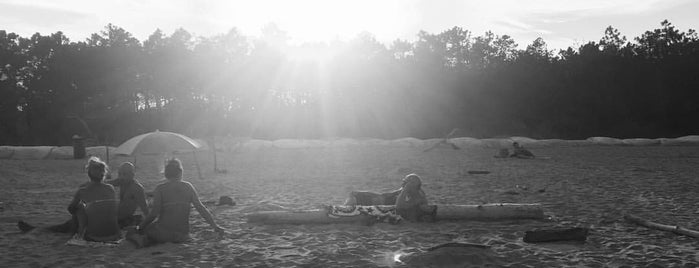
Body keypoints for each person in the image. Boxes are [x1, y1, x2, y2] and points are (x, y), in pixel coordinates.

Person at [130, 158, 223, 247]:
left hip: (163, 233)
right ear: (180, 172)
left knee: (138, 231)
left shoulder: (160, 189)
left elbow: (154, 214)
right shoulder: (188, 187)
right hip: (182, 235)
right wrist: (215, 226)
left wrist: (140, 227)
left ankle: (143, 241)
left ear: (166, 173)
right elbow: (201, 208)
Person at [105, 162, 149, 227]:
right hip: (116, 217)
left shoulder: (136, 188)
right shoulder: (121, 181)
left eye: (124, 174)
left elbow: (145, 208)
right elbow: (103, 183)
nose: (121, 176)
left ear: (132, 175)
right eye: (119, 174)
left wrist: (148, 223)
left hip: (125, 220)